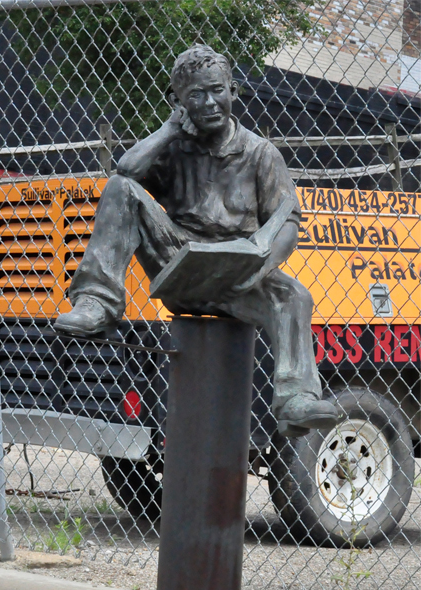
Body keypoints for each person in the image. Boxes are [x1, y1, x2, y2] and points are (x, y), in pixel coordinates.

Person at [55, 44, 338, 437]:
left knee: (294, 297)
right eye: (195, 95)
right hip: (180, 264)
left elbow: (287, 221)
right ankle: (98, 302)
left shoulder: (261, 154)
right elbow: (126, 171)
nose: (209, 103)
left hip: (239, 274)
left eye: (217, 90)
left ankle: (295, 400)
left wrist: (261, 265)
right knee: (120, 189)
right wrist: (169, 130)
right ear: (177, 101)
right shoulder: (172, 146)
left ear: (233, 91)